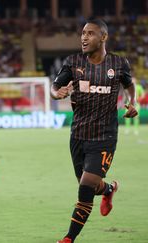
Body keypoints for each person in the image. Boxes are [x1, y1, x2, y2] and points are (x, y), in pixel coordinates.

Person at [51, 19, 138, 243]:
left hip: (105, 136)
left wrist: (132, 102)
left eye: (90, 33)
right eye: (82, 33)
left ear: (103, 37)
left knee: (85, 187)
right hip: (78, 135)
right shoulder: (73, 62)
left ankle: (69, 238)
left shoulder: (119, 63)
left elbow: (129, 85)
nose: (84, 37)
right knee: (86, 182)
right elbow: (55, 86)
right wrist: (57, 93)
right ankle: (108, 189)